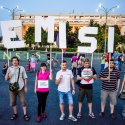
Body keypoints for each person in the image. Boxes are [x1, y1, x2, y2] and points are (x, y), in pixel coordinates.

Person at [5, 56, 30, 121]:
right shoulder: (9, 69)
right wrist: (7, 73)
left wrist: (26, 86)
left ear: (18, 61)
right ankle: (15, 113)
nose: (15, 62)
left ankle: (25, 114)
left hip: (21, 87)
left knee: (23, 101)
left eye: (16, 60)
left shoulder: (21, 68)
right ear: (11, 62)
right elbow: (6, 79)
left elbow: (25, 77)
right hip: (12, 88)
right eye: (13, 61)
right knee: (13, 102)